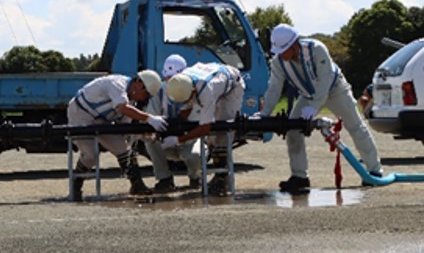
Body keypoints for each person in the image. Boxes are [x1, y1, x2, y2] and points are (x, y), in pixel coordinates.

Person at [260, 24, 382, 193]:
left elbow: (324, 82)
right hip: (307, 95)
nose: (281, 54)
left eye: (284, 50)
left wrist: (314, 107)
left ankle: (374, 171)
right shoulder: (278, 62)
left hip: (336, 90)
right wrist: (265, 114)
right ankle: (300, 177)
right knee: (293, 131)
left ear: (294, 44)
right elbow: (274, 88)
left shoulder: (317, 49)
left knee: (355, 126)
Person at [68, 69, 166, 201]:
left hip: (102, 119)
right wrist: (149, 119)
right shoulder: (117, 84)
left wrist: (145, 135)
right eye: (146, 95)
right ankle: (76, 187)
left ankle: (137, 185)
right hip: (81, 112)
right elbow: (122, 108)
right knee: (90, 155)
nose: (145, 99)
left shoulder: (130, 101)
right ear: (139, 85)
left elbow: (126, 129)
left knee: (123, 149)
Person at [161, 61, 246, 196]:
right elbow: (185, 110)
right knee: (213, 135)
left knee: (221, 132)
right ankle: (222, 174)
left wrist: (178, 139)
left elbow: (205, 128)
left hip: (231, 87)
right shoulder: (181, 82)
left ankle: (221, 178)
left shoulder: (206, 91)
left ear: (193, 91)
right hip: (213, 79)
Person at [143, 54, 202, 193]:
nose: (170, 81)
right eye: (168, 77)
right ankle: (164, 179)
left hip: (189, 139)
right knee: (149, 140)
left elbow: (199, 123)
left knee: (195, 155)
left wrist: (180, 138)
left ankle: (195, 177)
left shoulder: (196, 91)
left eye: (173, 78)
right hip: (166, 140)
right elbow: (152, 116)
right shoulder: (159, 92)